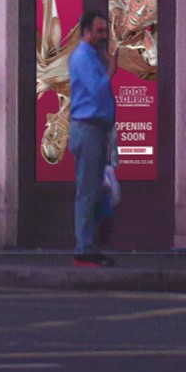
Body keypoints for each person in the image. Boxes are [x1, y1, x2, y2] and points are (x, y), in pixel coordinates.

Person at [64, 15, 121, 260]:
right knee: (87, 191)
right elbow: (97, 90)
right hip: (87, 129)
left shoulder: (93, 56)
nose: (103, 36)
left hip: (96, 130)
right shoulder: (82, 57)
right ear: (86, 31)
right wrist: (111, 69)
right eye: (98, 31)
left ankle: (90, 246)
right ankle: (83, 248)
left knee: (94, 190)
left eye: (105, 31)